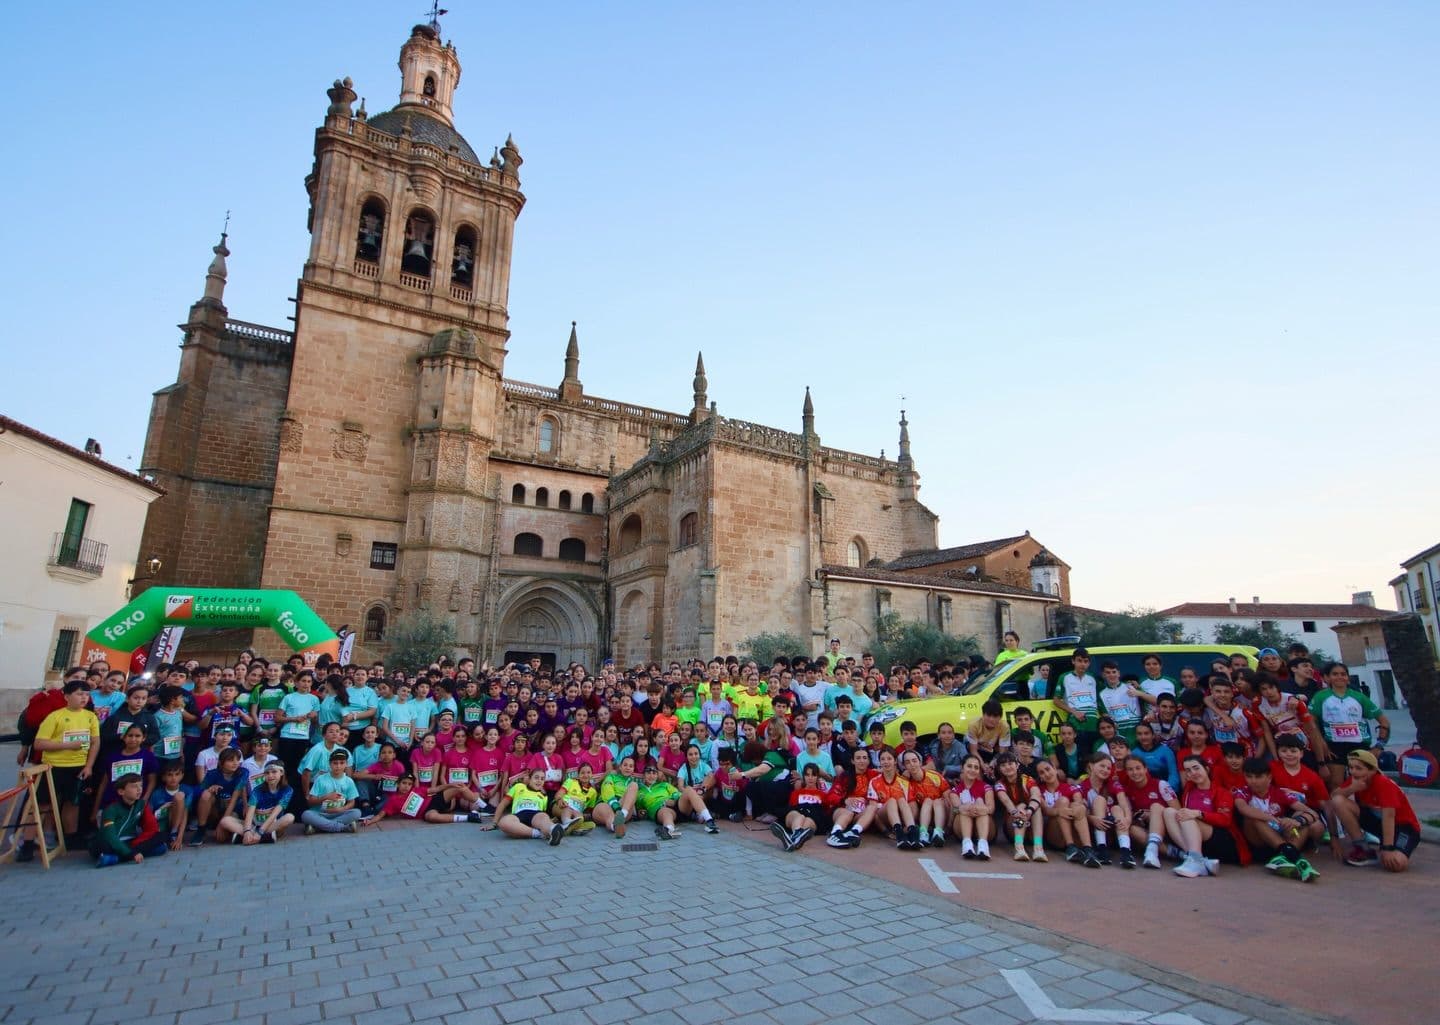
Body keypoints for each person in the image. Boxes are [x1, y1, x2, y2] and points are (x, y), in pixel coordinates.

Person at [16, 680, 101, 859]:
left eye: (86, 694)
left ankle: (69, 839)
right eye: (79, 694)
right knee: (42, 805)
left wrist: (89, 765)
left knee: (72, 803)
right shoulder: (55, 716)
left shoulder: (90, 717)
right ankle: (28, 843)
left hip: (78, 767)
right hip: (53, 767)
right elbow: (39, 743)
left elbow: (95, 742)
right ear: (67, 696)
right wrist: (67, 745)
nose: (83, 698)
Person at [1329, 749, 1419, 872]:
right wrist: (1351, 788)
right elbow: (1334, 796)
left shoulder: (1383, 784)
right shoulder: (1356, 779)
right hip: (1378, 823)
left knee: (1396, 864)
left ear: (1372, 770)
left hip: (1403, 826)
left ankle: (1396, 846)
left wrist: (1387, 848)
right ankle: (1363, 848)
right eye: (1351, 767)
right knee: (1338, 801)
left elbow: (1389, 816)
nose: (1353, 771)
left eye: (1358, 768)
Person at [1232, 757, 1321, 881]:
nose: (1253, 781)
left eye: (1258, 777)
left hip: (1280, 835)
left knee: (1301, 819)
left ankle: (1282, 858)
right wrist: (1273, 819)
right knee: (1254, 817)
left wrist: (1296, 821)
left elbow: (1312, 813)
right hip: (1257, 841)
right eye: (1249, 776)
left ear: (1269, 777)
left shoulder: (1279, 792)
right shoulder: (1242, 792)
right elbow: (1243, 809)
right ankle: (1294, 856)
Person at [1164, 754, 1247, 878]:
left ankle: (1195, 860)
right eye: (1188, 770)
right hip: (1197, 837)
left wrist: (1199, 813)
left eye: (1196, 768)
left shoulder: (1221, 792)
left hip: (1223, 838)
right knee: (1169, 812)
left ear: (1206, 769)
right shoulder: (1188, 789)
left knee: (1188, 815)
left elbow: (1225, 820)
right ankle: (1197, 859)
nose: (1193, 773)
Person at [1312, 662, 1390, 791]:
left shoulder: (1359, 697)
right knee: (1335, 783)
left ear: (1348, 677)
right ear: (1328, 677)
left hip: (1360, 744)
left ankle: (1365, 810)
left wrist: (1379, 746)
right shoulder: (1321, 697)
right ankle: (1339, 810)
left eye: (1343, 674)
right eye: (1335, 674)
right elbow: (1312, 724)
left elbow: (1384, 722)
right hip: (1334, 745)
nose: (1340, 677)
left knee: (1365, 784)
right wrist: (1321, 742)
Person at [92, 774, 167, 868]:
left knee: (161, 837)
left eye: (140, 785)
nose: (139, 789)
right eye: (134, 786)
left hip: (130, 842)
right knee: (102, 844)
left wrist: (134, 847)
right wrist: (132, 853)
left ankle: (114, 859)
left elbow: (152, 828)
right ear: (121, 791)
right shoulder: (111, 809)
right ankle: (129, 855)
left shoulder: (141, 804)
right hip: (112, 842)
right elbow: (110, 836)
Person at [1118, 755, 1179, 869]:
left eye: (1138, 768)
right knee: (1132, 829)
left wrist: (1154, 814)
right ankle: (1174, 853)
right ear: (1126, 772)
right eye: (1130, 769)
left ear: (1145, 769)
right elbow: (1129, 815)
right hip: (1147, 829)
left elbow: (1177, 811)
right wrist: (1140, 818)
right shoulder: (1127, 790)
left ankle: (1152, 851)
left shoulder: (1161, 784)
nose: (1135, 772)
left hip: (1168, 827)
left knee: (1155, 806)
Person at [1033, 759, 1095, 866]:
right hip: (1053, 834)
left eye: (1048, 769)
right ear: (1040, 777)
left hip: (1073, 828)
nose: (1047, 774)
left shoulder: (1070, 787)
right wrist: (1059, 811)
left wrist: (1071, 810)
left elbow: (1079, 802)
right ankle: (1070, 846)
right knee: (1063, 801)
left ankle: (1088, 849)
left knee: (1076, 806)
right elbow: (1046, 811)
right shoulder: (1039, 790)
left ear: (1055, 769)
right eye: (1042, 773)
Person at [219, 762, 295, 845]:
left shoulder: (288, 790)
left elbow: (275, 814)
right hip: (254, 825)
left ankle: (251, 837)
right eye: (267, 773)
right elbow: (250, 813)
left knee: (289, 817)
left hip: (272, 824)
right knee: (225, 821)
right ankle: (260, 837)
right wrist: (247, 830)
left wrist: (260, 832)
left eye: (274, 772)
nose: (270, 775)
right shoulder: (257, 790)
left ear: (281, 773)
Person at [1081, 752, 1135, 868]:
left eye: (1109, 768)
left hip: (1115, 827)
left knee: (1116, 808)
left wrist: (1127, 819)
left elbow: (1124, 803)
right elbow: (1083, 811)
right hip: (1095, 828)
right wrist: (1092, 819)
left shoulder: (1113, 784)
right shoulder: (1082, 786)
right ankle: (1102, 849)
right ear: (1091, 766)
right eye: (1102, 766)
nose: (1105, 770)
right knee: (1099, 800)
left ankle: (1126, 852)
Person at [485, 767, 566, 844]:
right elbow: (502, 804)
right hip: (518, 815)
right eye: (536, 777)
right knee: (503, 822)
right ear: (529, 779)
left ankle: (553, 830)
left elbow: (544, 814)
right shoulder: (518, 787)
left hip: (536, 815)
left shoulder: (544, 795)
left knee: (543, 818)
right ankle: (538, 834)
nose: (539, 781)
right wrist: (494, 823)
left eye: (542, 779)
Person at [189, 746, 248, 846]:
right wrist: (210, 788)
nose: (235, 763)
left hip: (233, 809)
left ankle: (238, 832)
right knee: (206, 794)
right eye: (230, 760)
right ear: (221, 762)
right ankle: (201, 829)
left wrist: (221, 824)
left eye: (237, 760)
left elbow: (234, 800)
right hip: (216, 810)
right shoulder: (212, 774)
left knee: (221, 838)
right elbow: (200, 794)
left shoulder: (243, 772)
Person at [992, 752, 1044, 862]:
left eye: (1010, 763)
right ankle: (1019, 847)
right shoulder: (999, 784)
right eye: (1003, 765)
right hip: (1012, 825)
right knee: (1021, 807)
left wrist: (1029, 811)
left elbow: (1036, 795)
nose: (1007, 767)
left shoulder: (1027, 779)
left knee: (1035, 807)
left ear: (1017, 765)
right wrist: (1017, 812)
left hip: (1030, 825)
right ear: (999, 769)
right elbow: (1005, 800)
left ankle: (1038, 847)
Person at [777, 763, 836, 851]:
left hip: (813, 818)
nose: (810, 778)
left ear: (817, 777)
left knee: (808, 819)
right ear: (803, 777)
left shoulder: (823, 795)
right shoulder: (796, 793)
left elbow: (825, 812)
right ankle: (797, 837)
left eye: (813, 775)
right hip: (797, 814)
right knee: (799, 816)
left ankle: (792, 838)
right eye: (807, 775)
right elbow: (791, 808)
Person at [1052, 648, 1099, 755]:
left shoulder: (1093, 678)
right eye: (1079, 660)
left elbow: (1102, 697)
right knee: (1080, 756)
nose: (1082, 664)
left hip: (1093, 725)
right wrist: (1074, 712)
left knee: (1094, 756)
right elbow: (1056, 700)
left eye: (1086, 661)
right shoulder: (1064, 677)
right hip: (1076, 725)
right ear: (1073, 661)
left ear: (1089, 663)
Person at [304, 750, 362, 834]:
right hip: (320, 813)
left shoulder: (349, 781)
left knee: (357, 813)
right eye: (335, 763)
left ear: (346, 764)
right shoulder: (321, 779)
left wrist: (341, 809)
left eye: (342, 763)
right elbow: (311, 801)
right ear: (330, 764)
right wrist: (326, 797)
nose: (338, 766)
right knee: (306, 815)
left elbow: (351, 802)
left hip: (339, 813)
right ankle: (342, 827)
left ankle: (318, 827)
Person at [949, 754, 994, 860]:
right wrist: (963, 808)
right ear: (962, 768)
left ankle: (983, 845)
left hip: (985, 828)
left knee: (980, 805)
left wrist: (979, 808)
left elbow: (991, 809)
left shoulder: (986, 787)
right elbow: (954, 809)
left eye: (976, 767)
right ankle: (967, 844)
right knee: (964, 809)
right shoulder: (955, 791)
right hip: (962, 827)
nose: (972, 770)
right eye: (969, 766)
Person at [594, 755, 639, 837]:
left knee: (634, 785)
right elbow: (607, 788)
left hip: (623, 806)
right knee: (608, 814)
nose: (627, 768)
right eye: (625, 765)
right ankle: (616, 825)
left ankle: (621, 816)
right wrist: (615, 805)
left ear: (633, 770)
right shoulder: (612, 776)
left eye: (631, 766)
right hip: (607, 803)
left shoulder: (633, 782)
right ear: (620, 767)